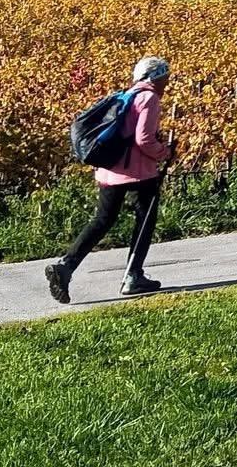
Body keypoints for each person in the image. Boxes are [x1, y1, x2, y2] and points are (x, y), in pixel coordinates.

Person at [45, 55, 177, 302]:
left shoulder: (124, 96)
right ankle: (132, 277)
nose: (166, 83)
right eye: (164, 78)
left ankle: (66, 265)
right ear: (156, 78)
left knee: (103, 220)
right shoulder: (149, 98)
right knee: (144, 220)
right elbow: (144, 140)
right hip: (139, 172)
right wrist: (164, 152)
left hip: (108, 170)